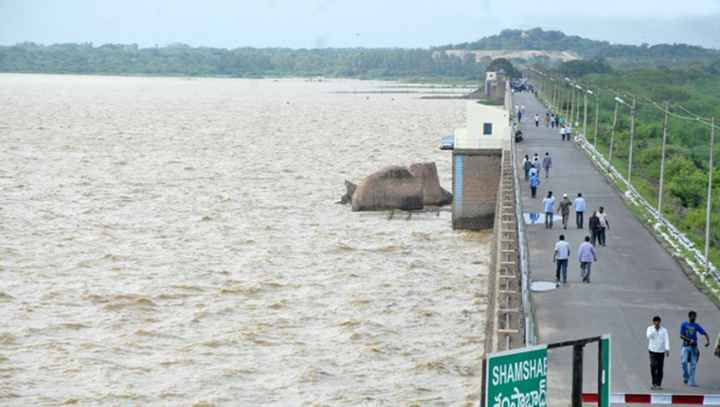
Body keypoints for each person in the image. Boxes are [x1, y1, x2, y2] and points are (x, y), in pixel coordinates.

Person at [680, 311, 711, 387]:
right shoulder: (684, 324)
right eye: (693, 316)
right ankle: (686, 376)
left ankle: (692, 382)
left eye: (695, 316)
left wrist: (708, 341)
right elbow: (681, 335)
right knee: (684, 362)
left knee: (693, 365)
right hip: (685, 346)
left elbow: (704, 333)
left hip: (694, 347)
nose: (694, 318)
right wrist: (689, 340)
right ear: (689, 316)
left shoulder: (696, 325)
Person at [647, 316, 670, 390]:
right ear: (653, 322)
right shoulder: (650, 329)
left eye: (658, 321)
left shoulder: (664, 330)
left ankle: (659, 384)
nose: (657, 323)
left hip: (661, 351)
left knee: (660, 368)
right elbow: (648, 336)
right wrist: (654, 330)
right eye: (655, 321)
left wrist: (667, 349)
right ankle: (654, 383)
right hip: (652, 351)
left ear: (660, 322)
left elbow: (666, 339)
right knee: (653, 366)